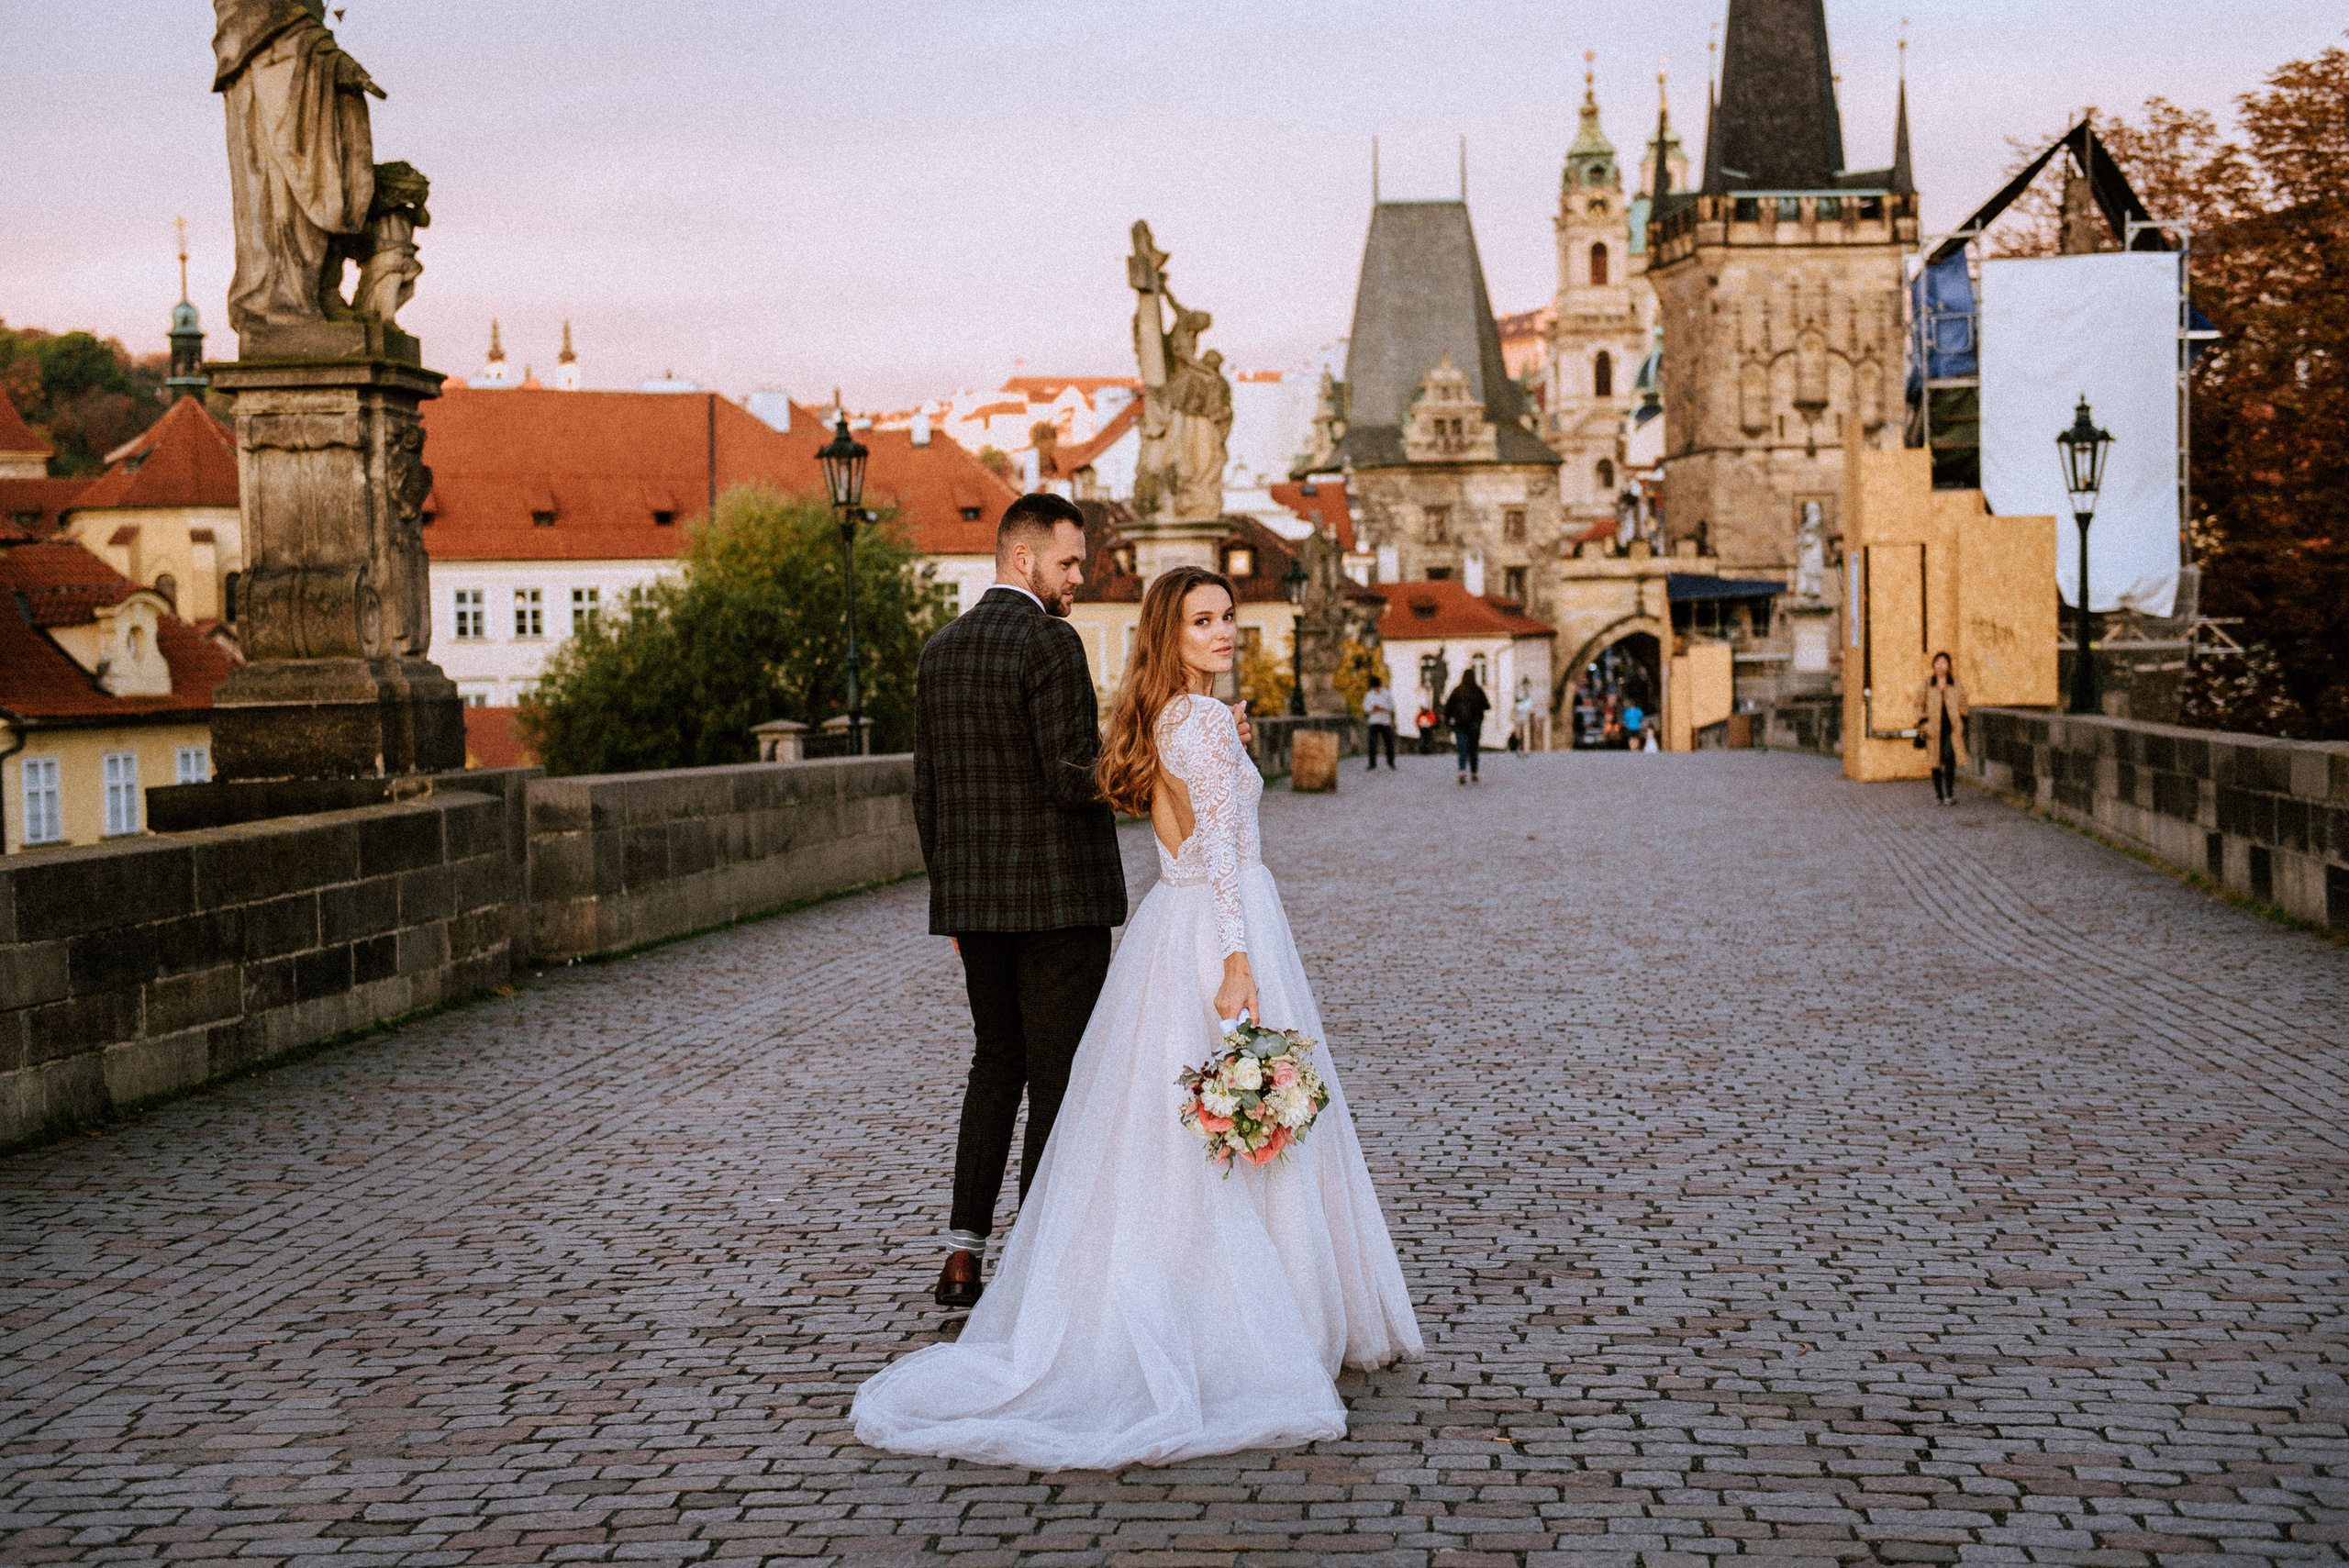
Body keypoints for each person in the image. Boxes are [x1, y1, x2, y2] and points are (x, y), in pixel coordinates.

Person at [854, 566, 1422, 1470]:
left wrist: (1231, 741)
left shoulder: (1176, 715)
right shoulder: (1195, 719)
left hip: (1173, 920)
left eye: (1229, 616)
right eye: (1203, 621)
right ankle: (1263, 1313)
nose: (1225, 631)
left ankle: (1201, 1289)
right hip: (1218, 925)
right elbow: (1224, 852)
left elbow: (1197, 817)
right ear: (1170, 633)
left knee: (1179, 1132)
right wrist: (1237, 957)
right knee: (1240, 1116)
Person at [906, 494, 1128, 1312]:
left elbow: (927, 792)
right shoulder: (1048, 640)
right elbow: (1069, 775)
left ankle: (963, 1254)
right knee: (1058, 1076)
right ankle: (1038, 1259)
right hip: (1058, 902)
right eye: (1070, 563)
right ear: (1023, 558)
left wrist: (953, 902)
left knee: (995, 1065)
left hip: (977, 906)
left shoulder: (941, 649)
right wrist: (1138, 764)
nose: (1080, 578)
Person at [1916, 651, 1969, 805]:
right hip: (1933, 730)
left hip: (1951, 729)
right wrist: (1924, 722)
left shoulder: (1956, 684)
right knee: (1935, 762)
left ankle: (1950, 794)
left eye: (1944, 662)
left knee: (1949, 757)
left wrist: (1962, 721)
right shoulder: (1927, 685)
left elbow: (1963, 703)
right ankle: (1939, 794)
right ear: (1933, 665)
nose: (1940, 666)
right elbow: (1918, 705)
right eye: (1938, 662)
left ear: (1949, 666)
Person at [1444, 672, 1489, 784]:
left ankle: (1462, 771)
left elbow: (1448, 708)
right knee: (1473, 749)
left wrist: (1448, 722)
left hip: (1460, 725)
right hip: (1474, 724)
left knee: (1462, 748)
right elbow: (1487, 706)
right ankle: (1474, 773)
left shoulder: (1457, 690)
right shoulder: (1477, 691)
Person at [1361, 673, 1397, 771]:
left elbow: (1392, 707)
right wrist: (1373, 708)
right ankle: (1372, 764)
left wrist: (1383, 707)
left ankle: (1391, 763)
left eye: (1378, 688)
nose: (1376, 690)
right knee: (1372, 744)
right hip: (1374, 721)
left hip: (1385, 722)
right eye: (1375, 688)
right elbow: (1365, 708)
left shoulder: (1387, 694)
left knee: (1389, 743)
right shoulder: (1369, 694)